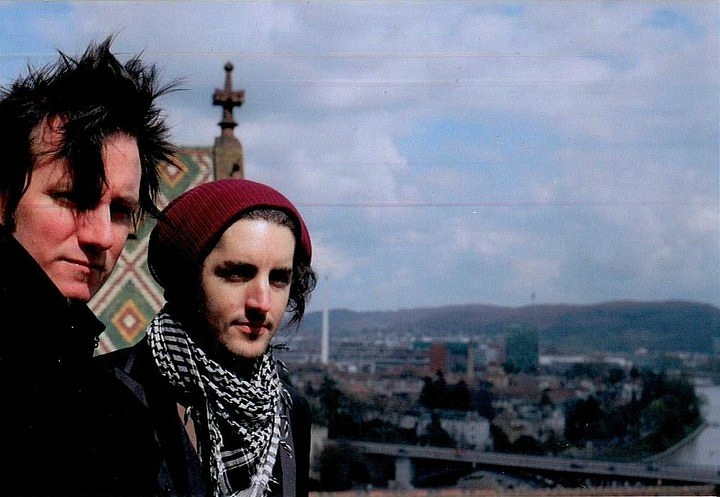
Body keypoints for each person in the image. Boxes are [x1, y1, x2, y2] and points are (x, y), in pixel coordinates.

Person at [0, 36, 177, 495]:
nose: (101, 237)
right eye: (72, 198)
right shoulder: (105, 413)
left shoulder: (106, 397)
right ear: (3, 200)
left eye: (120, 211)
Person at [95, 178, 317, 497]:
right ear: (186, 278)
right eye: (237, 273)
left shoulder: (291, 412)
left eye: (279, 279)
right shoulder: (102, 393)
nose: (262, 302)